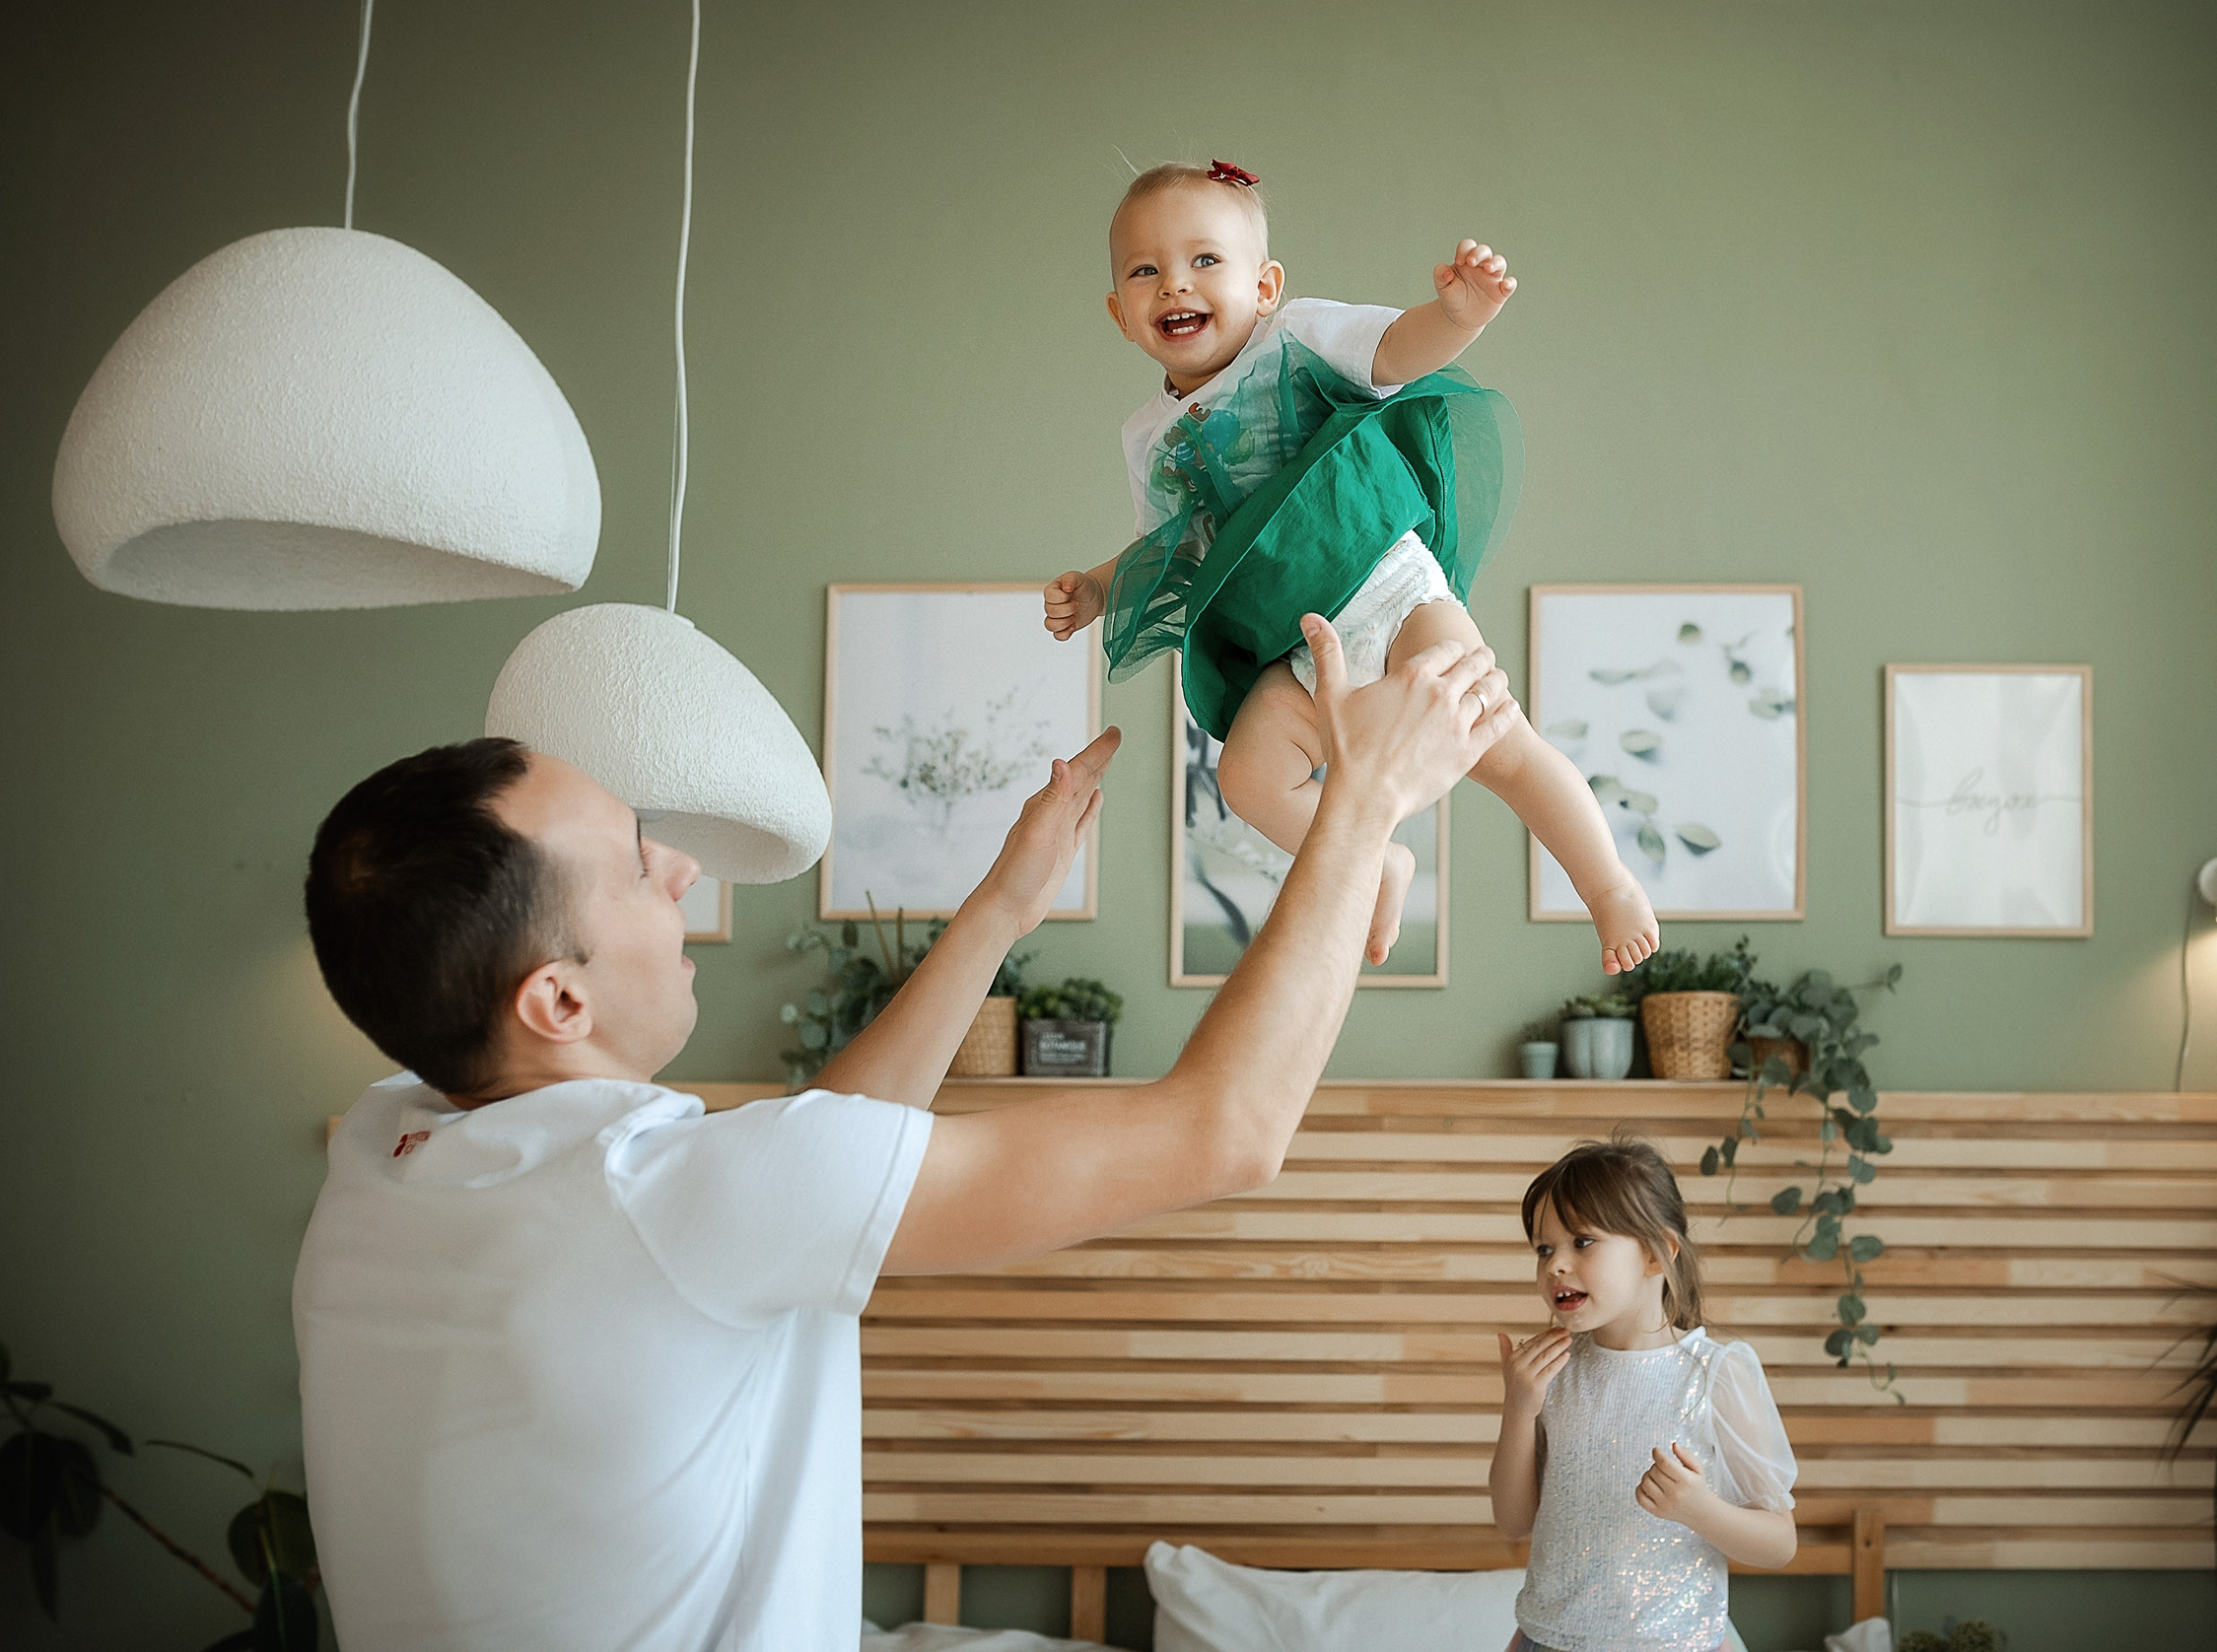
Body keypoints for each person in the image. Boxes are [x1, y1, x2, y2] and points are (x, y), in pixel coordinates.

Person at [291, 616, 1514, 1652]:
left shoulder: (386, 1150)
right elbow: (1224, 1131)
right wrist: (1362, 802)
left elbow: (807, 1154)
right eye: (627, 865)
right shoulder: (656, 1190)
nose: (672, 864)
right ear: (559, 1002)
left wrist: (1000, 908)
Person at [1043, 159, 1657, 975]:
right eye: (1145, 272)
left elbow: (1399, 351)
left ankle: (1607, 883)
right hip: (1292, 640)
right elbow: (1170, 546)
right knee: (1248, 776)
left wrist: (1457, 316)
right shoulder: (1148, 438)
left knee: (1499, 742)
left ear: (1264, 286)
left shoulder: (1297, 336)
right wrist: (1095, 585)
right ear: (1121, 312)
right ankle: (1380, 862)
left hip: (1390, 589)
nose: (1173, 285)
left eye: (1204, 261)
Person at [1489, 1138, 1799, 1652]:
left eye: (1581, 1242)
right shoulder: (1553, 1372)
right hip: (1548, 1640)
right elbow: (1513, 1521)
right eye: (1544, 1248)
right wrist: (1519, 1408)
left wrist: (1700, 1510)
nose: (1554, 1266)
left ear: (1656, 1254)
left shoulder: (1715, 1374)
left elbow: (1780, 1543)